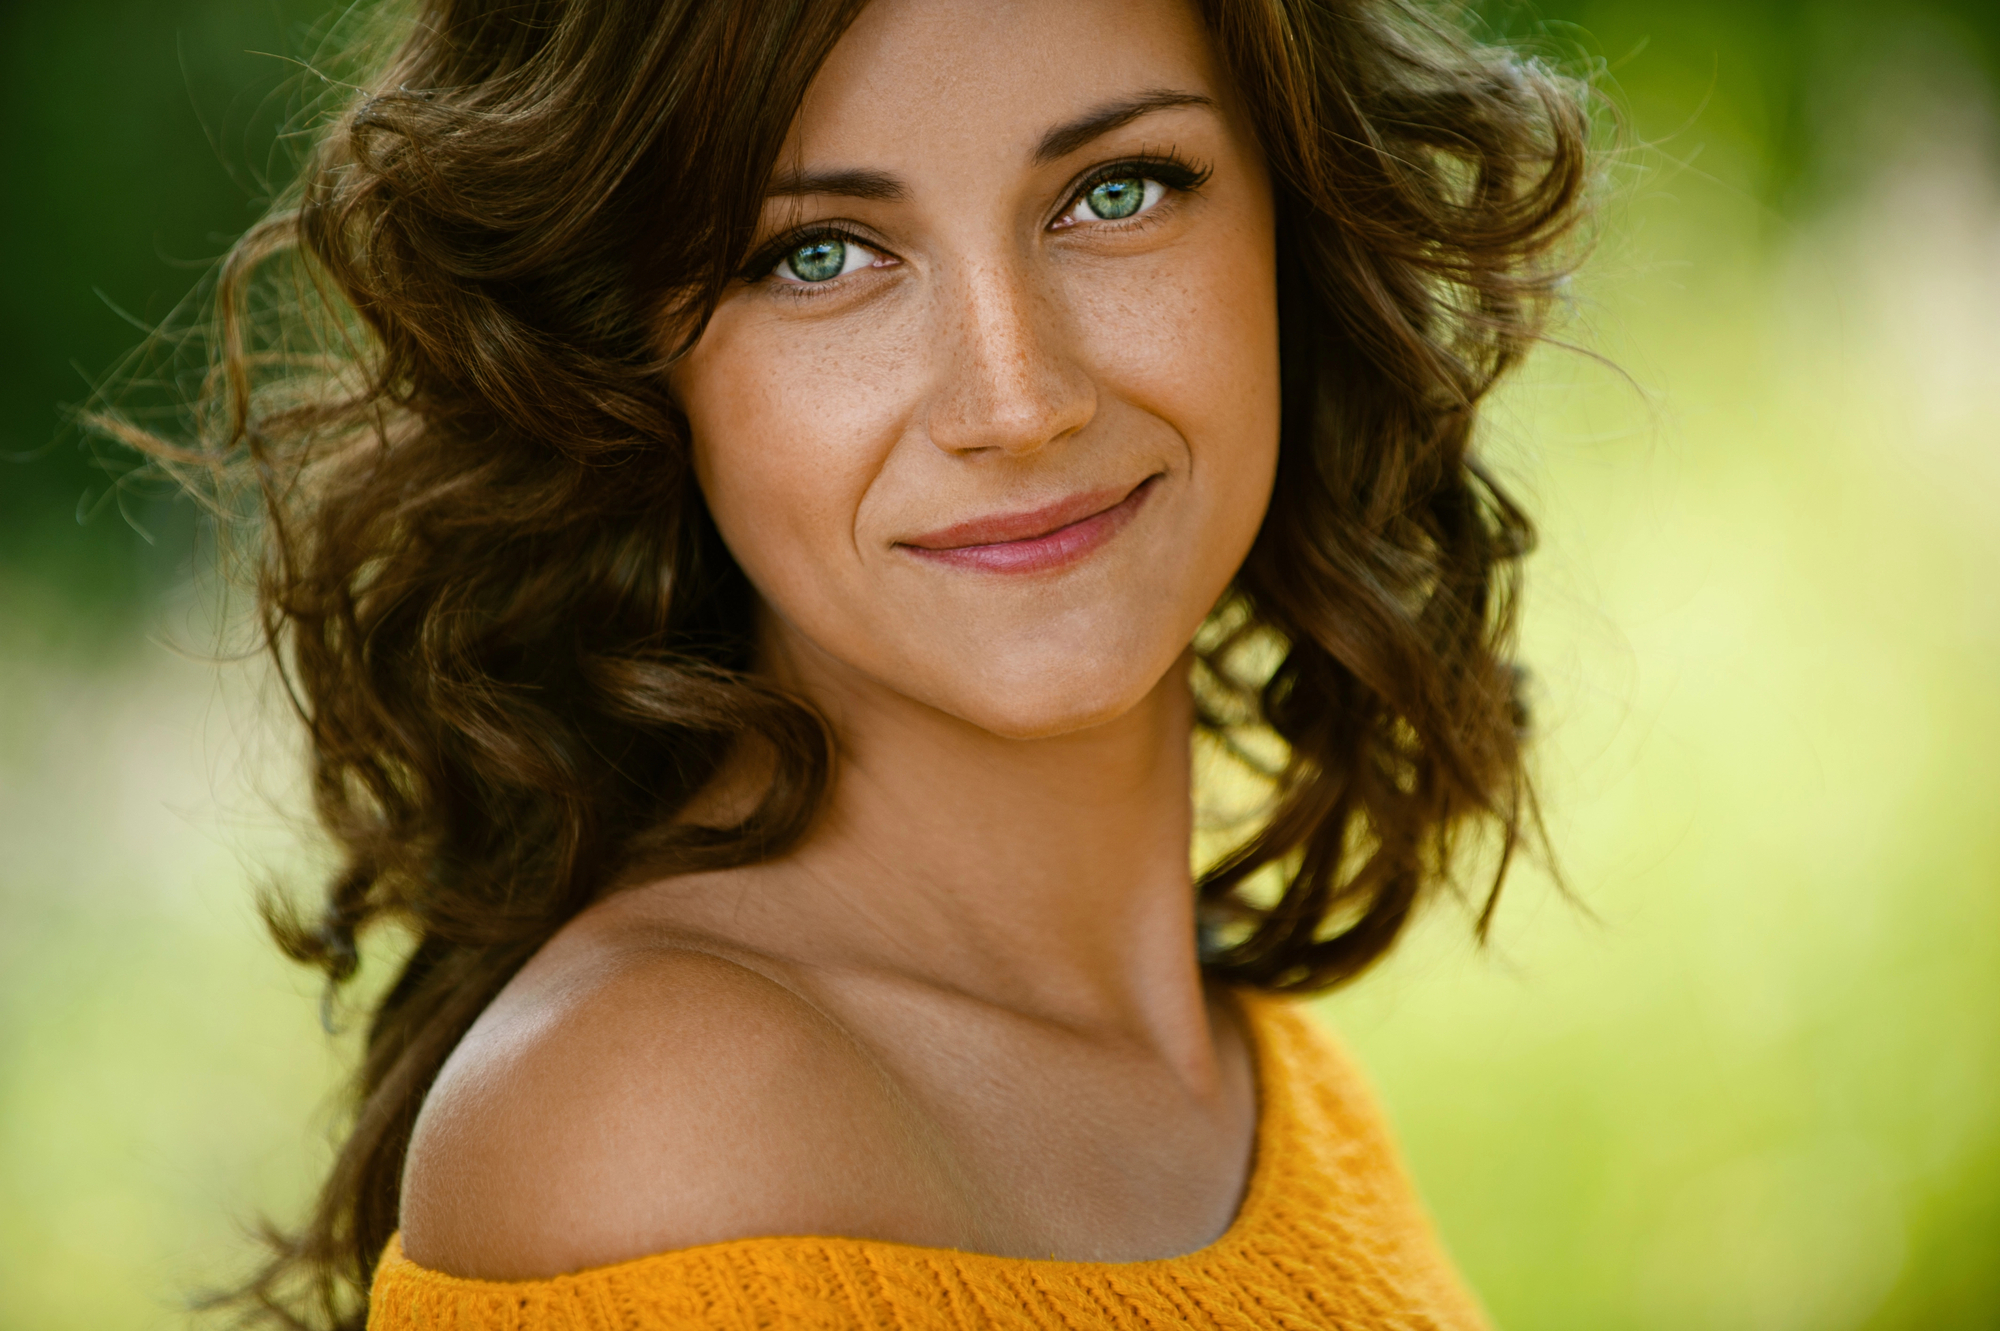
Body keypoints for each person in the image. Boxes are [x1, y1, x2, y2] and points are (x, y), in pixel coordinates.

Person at [161, 0, 1587, 1325]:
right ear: (624, 357)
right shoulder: (661, 1135)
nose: (1018, 401)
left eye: (1117, 191)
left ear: (1298, 213)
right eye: (818, 255)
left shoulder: (1259, 1074)